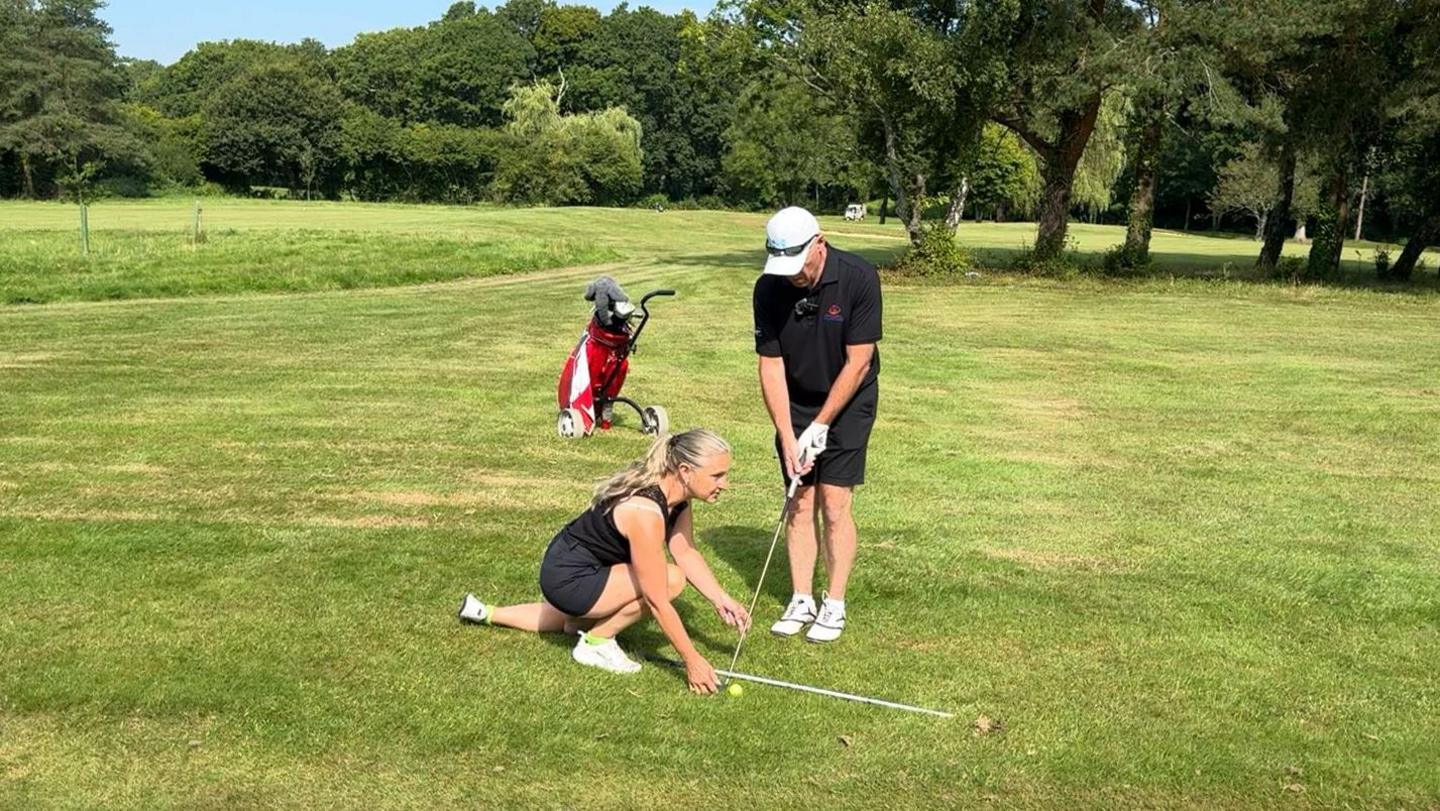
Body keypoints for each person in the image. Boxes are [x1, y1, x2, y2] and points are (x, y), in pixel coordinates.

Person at [457, 428, 751, 694]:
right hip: (570, 575)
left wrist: (720, 598)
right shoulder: (645, 513)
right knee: (670, 580)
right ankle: (595, 643)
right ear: (685, 470)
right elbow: (656, 599)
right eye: (717, 475)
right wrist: (693, 660)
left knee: (571, 621)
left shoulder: (677, 499)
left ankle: (485, 612)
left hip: (568, 567)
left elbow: (685, 551)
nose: (725, 484)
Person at [752, 206, 882, 643]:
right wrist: (789, 435)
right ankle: (801, 598)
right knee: (799, 499)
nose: (794, 277)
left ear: (819, 243)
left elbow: (859, 361)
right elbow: (770, 367)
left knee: (834, 501)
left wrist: (823, 423)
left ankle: (835, 603)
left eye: (800, 264)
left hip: (849, 398)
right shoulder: (769, 289)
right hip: (796, 400)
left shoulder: (858, 277)